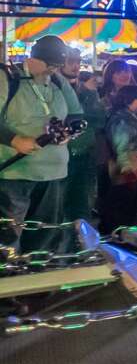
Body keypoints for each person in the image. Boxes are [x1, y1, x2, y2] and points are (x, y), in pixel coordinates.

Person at [0, 36, 84, 253]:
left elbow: (75, 114)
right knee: (8, 236)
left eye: (57, 66)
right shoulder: (7, 78)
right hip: (15, 172)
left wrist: (68, 133)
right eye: (49, 64)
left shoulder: (57, 81)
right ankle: (10, 280)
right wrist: (15, 140)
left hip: (53, 172)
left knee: (46, 234)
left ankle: (40, 279)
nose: (52, 70)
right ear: (34, 58)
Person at [100, 84, 137, 232]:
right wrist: (129, 170)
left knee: (133, 205)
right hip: (127, 168)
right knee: (122, 205)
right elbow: (121, 146)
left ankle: (127, 234)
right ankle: (118, 236)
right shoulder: (121, 118)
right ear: (132, 99)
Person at [63, 67, 107, 223]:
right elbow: (83, 117)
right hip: (65, 154)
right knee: (65, 202)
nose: (75, 65)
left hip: (84, 152)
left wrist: (91, 93)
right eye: (71, 61)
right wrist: (89, 92)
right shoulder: (58, 87)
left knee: (82, 201)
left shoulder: (85, 92)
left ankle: (78, 237)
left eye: (78, 61)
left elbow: (98, 119)